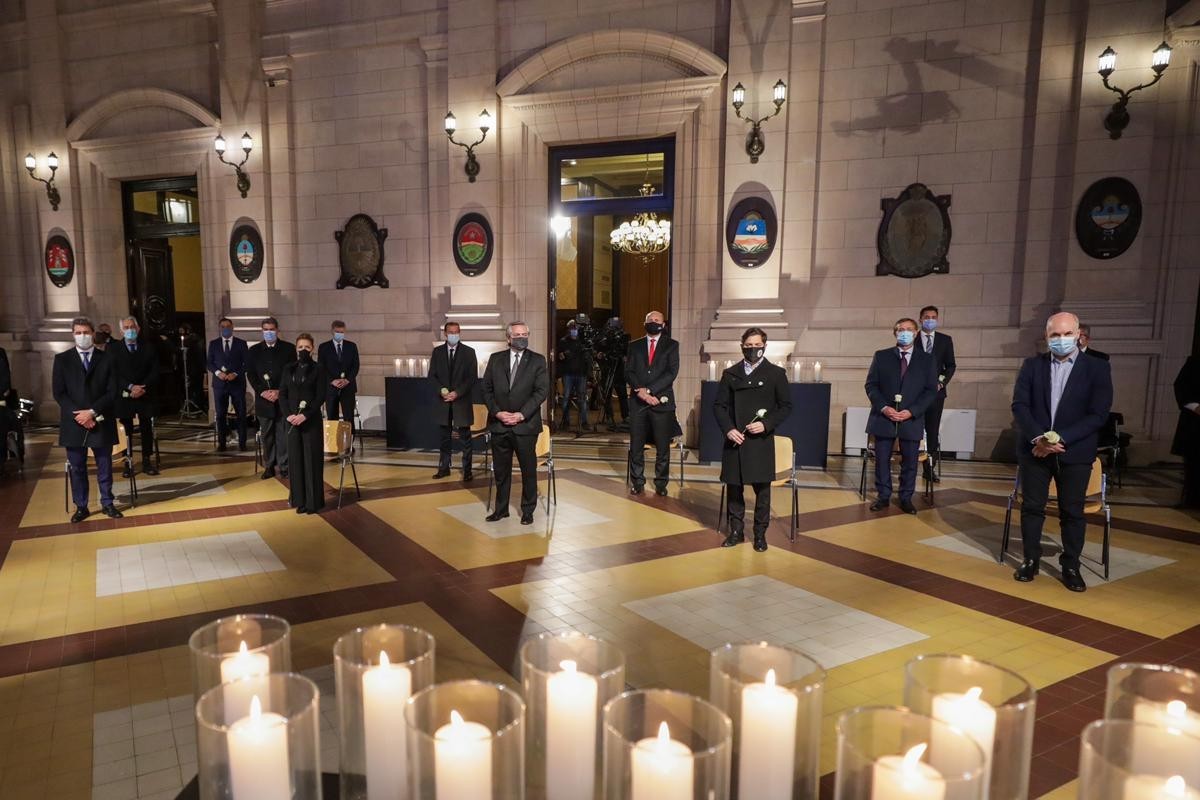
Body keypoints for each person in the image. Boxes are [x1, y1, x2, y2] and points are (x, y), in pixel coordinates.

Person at [1011, 311, 1113, 593]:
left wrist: (1060, 439)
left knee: (1072, 512)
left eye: (1067, 334)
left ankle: (1070, 565)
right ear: (1047, 337)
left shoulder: (1097, 367)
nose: (1061, 339)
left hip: (1075, 451)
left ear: (1079, 335)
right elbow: (1020, 405)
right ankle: (1030, 559)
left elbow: (1098, 414)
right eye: (1055, 334)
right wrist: (1040, 439)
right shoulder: (1032, 366)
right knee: (1032, 508)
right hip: (1035, 450)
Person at [714, 327, 792, 552]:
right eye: (748, 346)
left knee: (763, 492)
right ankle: (736, 531)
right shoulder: (731, 374)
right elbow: (719, 406)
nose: (752, 349)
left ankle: (760, 534)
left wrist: (766, 424)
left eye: (757, 345)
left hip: (760, 442)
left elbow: (785, 406)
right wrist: (728, 429)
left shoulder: (776, 374)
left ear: (764, 346)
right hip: (735, 440)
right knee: (735, 489)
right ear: (742, 346)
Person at [865, 317, 938, 514]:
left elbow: (931, 391)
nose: (904, 332)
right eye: (900, 329)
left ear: (916, 333)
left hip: (911, 418)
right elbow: (871, 385)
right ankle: (883, 496)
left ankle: (906, 497)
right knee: (881, 459)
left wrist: (912, 411)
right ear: (895, 333)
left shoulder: (927, 359)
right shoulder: (881, 356)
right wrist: (884, 408)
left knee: (910, 461)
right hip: (884, 417)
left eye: (908, 329)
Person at [52, 317, 122, 522]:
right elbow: (59, 393)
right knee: (78, 466)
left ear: (93, 334)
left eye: (86, 332)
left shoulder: (107, 359)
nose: (82, 336)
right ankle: (81, 506)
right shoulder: (62, 359)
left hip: (100, 418)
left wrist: (91, 412)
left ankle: (107, 503)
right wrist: (81, 416)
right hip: (74, 422)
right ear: (73, 334)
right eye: (78, 332)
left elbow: (112, 391)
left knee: (104, 464)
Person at [482, 321, 548, 525]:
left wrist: (521, 414)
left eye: (525, 334)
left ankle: (528, 510)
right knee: (502, 471)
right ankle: (501, 510)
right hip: (499, 424)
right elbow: (486, 390)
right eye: (517, 334)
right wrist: (498, 412)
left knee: (528, 470)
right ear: (508, 338)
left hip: (525, 425)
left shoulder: (538, 360)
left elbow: (541, 392)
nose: (522, 338)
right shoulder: (495, 359)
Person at [626, 310, 679, 496]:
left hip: (661, 402)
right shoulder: (634, 346)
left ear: (663, 325)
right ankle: (637, 482)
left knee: (662, 447)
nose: (654, 322)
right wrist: (640, 390)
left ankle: (661, 483)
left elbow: (671, 373)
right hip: (638, 403)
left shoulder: (671, 346)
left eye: (657, 320)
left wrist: (650, 391)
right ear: (644, 323)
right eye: (650, 320)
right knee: (637, 445)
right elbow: (629, 371)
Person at [279, 333, 326, 514]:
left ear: (312, 349)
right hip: (291, 422)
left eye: (307, 347)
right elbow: (282, 394)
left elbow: (320, 396)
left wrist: (304, 415)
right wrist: (288, 415)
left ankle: (313, 502)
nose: (303, 350)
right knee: (296, 461)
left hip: (310, 421)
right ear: (296, 349)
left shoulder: (318, 368)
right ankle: (299, 500)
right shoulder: (288, 369)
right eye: (300, 347)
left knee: (311, 461)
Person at [248, 317, 297, 479]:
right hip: (263, 400)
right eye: (266, 330)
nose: (269, 332)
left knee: (282, 435)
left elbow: (291, 373)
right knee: (267, 435)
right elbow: (251, 374)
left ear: (277, 330)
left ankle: (284, 466)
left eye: (271, 329)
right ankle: (269, 465)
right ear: (262, 331)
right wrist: (262, 391)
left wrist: (279, 391)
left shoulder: (288, 349)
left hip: (282, 399)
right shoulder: (254, 351)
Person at [429, 321, 478, 480]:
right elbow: (432, 376)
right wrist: (442, 391)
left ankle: (467, 471)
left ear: (459, 332)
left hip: (461, 401)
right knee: (444, 438)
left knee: (465, 439)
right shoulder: (437, 352)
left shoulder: (469, 352)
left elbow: (471, 378)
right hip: (443, 402)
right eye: (451, 332)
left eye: (456, 332)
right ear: (445, 333)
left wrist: (457, 393)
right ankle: (444, 468)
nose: (453, 335)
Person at [112, 316, 160, 476]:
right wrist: (131, 387)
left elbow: (155, 370)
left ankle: (147, 460)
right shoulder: (113, 349)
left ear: (138, 329)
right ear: (121, 331)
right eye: (126, 328)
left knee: (146, 428)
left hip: (145, 394)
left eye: (132, 327)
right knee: (127, 430)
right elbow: (113, 374)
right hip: (125, 395)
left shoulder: (149, 347)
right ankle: (128, 461)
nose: (130, 330)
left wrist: (142, 387)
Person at [917, 305, 956, 482]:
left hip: (936, 394)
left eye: (933, 317)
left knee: (932, 430)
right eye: (926, 317)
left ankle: (928, 468)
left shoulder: (945, 340)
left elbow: (951, 365)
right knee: (914, 428)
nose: (930, 320)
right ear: (920, 319)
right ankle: (909, 463)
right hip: (915, 394)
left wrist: (942, 382)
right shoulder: (913, 338)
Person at [208, 318, 249, 451]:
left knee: (241, 414)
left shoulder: (241, 343)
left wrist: (236, 374)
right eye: (223, 326)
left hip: (237, 384)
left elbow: (247, 363)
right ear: (220, 328)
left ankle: (242, 443)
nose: (225, 328)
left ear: (232, 327)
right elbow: (209, 363)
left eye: (228, 326)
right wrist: (218, 373)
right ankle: (222, 443)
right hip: (220, 384)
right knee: (220, 414)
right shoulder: (213, 344)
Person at [318, 320, 360, 430]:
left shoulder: (351, 346)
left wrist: (347, 380)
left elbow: (355, 366)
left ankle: (349, 444)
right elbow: (321, 367)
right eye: (337, 332)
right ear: (332, 331)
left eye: (342, 332)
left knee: (348, 417)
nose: (339, 334)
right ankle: (333, 444)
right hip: (331, 388)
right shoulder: (324, 347)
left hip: (348, 387)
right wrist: (332, 380)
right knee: (332, 416)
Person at [1172, 355, 1200, 508]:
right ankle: (1192, 500)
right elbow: (1181, 386)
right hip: (1195, 424)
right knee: (1194, 465)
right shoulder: (1195, 361)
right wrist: (1195, 406)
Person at [557, 319, 591, 433]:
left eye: (575, 329)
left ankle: (584, 422)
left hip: (581, 374)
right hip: (568, 374)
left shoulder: (583, 342)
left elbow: (588, 358)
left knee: (582, 399)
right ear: (568, 330)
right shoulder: (563, 341)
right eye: (572, 329)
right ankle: (565, 421)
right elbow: (559, 356)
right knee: (566, 397)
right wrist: (561, 355)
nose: (573, 331)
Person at [598, 317, 630, 431]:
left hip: (619, 370)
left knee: (622, 395)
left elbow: (626, 351)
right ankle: (609, 416)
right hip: (608, 368)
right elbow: (600, 349)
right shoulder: (606, 337)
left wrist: (624, 357)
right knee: (606, 394)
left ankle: (626, 416)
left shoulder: (625, 337)